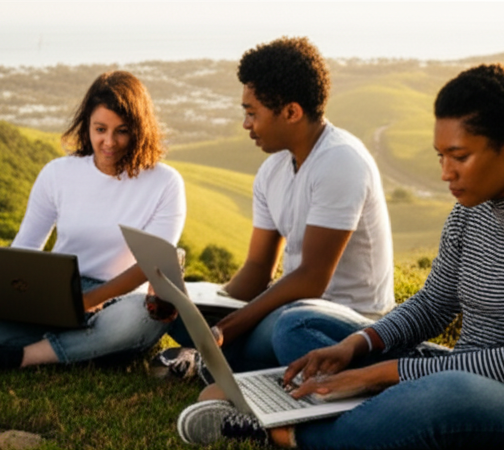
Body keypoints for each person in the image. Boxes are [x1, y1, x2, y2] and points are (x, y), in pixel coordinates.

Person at [176, 63, 504, 449]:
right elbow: (433, 304)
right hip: (459, 374)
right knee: (303, 325)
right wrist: (358, 347)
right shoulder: (469, 214)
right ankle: (358, 410)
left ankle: (284, 432)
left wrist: (381, 374)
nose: (446, 173)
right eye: (439, 156)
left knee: (443, 392)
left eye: (459, 156)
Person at [153, 36, 394, 378]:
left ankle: (221, 361)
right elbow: (257, 268)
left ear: (291, 112)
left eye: (252, 113)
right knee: (179, 315)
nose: (246, 124)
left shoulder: (341, 162)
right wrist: (199, 304)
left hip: (345, 321)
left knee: (288, 329)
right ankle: (224, 360)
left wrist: (229, 327)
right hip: (291, 308)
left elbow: (312, 278)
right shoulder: (273, 170)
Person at [0, 70, 187, 374]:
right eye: (100, 129)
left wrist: (90, 299)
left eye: (122, 131)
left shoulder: (165, 182)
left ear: (140, 130)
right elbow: (26, 246)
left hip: (121, 301)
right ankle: (95, 348)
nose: (109, 142)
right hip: (57, 296)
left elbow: (152, 265)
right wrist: (14, 296)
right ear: (86, 124)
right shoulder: (58, 173)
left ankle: (24, 358)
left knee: (144, 318)